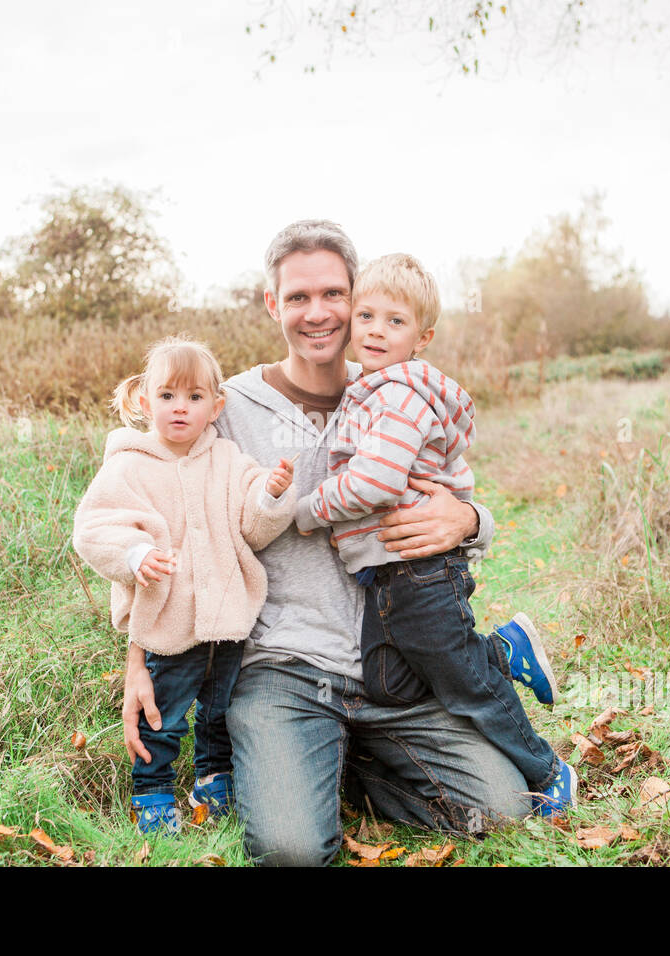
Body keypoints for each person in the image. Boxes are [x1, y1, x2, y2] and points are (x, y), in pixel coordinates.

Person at [122, 221, 568, 866]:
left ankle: (338, 764)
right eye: (298, 297)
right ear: (273, 304)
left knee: (499, 809)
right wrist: (140, 658)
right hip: (286, 667)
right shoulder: (231, 407)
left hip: (396, 667)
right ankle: (300, 757)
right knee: (292, 851)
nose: (318, 313)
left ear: (356, 298)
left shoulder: (397, 386)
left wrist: (471, 522)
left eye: (334, 293)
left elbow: (448, 489)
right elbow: (164, 517)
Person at [292, 251, 575, 809]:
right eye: (367, 316)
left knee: (466, 684)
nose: (375, 331)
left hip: (418, 571)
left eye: (395, 322)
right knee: (388, 683)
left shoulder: (399, 395)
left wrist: (308, 510)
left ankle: (546, 769)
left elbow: (374, 482)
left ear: (422, 337)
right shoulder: (369, 389)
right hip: (384, 578)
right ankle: (502, 651)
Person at [71, 335, 297, 834]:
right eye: (168, 395)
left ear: (215, 407)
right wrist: (135, 554)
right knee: (165, 714)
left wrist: (271, 494)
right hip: (168, 620)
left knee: (220, 710)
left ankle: (212, 779)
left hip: (228, 620)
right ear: (144, 400)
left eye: (195, 397)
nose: (180, 408)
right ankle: (151, 790)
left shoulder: (228, 460)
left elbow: (253, 526)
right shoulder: (130, 464)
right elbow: (93, 528)